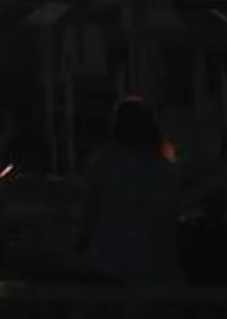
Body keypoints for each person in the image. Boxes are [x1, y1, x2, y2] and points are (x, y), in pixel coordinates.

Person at [72, 95, 184, 284]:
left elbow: (89, 213)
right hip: (154, 264)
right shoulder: (164, 169)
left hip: (108, 263)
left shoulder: (102, 164)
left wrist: (78, 248)